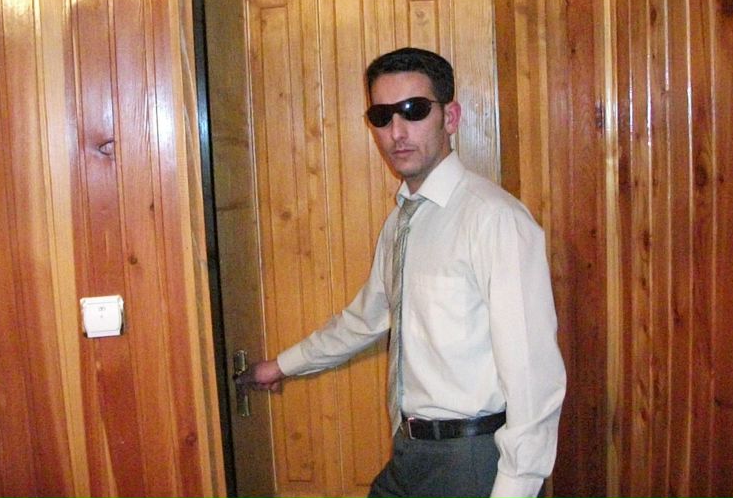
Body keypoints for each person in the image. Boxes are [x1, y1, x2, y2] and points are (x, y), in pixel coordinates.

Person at [235, 47, 566, 498]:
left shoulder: (495, 220)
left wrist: (514, 488)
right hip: (409, 452)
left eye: (414, 110)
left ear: (451, 117)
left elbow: (534, 378)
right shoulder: (401, 223)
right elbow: (366, 318)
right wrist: (279, 367)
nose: (396, 132)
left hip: (472, 461)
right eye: (382, 115)